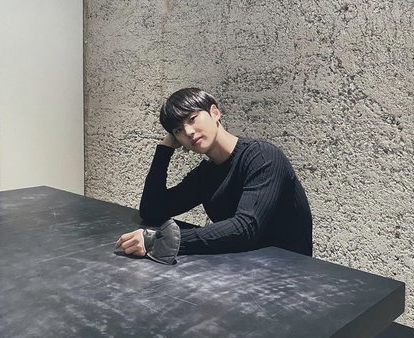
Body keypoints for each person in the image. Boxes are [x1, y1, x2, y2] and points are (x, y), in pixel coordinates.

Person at [115, 88, 312, 259]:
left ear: (215, 112)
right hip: (240, 270)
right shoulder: (206, 175)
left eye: (192, 119)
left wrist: (161, 241)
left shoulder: (262, 157)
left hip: (290, 276)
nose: (188, 132)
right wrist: (164, 150)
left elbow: (245, 228)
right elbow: (152, 210)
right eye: (178, 130)